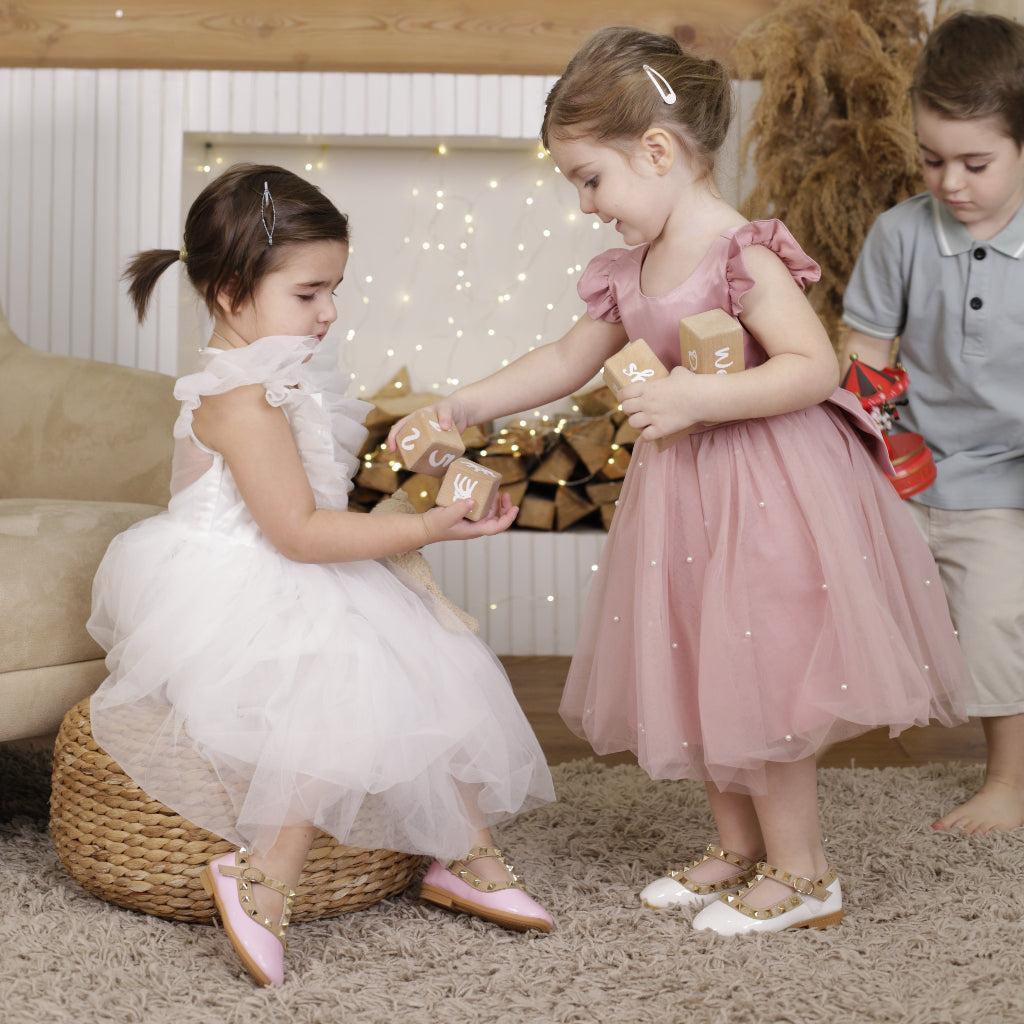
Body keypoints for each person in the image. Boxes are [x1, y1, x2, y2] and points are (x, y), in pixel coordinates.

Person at [391, 28, 969, 935]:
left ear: (656, 151)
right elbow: (566, 358)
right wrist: (462, 406)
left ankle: (805, 872)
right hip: (685, 500)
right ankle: (738, 849)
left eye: (590, 178)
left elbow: (813, 367)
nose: (584, 205)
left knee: (768, 676)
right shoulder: (630, 267)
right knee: (707, 664)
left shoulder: (743, 253)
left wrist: (702, 397)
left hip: (768, 488)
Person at [88, 164, 555, 987]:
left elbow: (315, 511)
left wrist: (415, 508)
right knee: (340, 672)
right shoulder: (238, 400)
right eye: (309, 294)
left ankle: (464, 852)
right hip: (232, 582)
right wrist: (429, 527)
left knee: (427, 656)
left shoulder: (286, 380)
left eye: (334, 289)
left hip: (298, 567)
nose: (329, 312)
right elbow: (298, 533)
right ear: (233, 294)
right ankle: (262, 871)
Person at [842, 11, 1024, 836]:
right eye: (932, 158)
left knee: (991, 620)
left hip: (1006, 477)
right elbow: (864, 351)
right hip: (909, 464)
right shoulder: (900, 236)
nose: (951, 182)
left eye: (976, 163)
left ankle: (1008, 784)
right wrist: (882, 441)